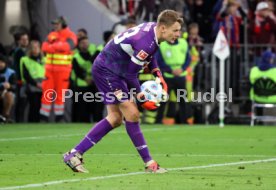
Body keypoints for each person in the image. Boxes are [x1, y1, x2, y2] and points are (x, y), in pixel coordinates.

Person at [63, 9, 183, 173]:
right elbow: (131, 74)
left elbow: (151, 53)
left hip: (114, 70)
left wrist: (157, 74)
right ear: (163, 28)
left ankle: (74, 154)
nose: (178, 34)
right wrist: (141, 97)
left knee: (115, 118)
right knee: (132, 113)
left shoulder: (152, 31)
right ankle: (149, 163)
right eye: (175, 30)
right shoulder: (146, 41)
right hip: (108, 71)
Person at [40, 16, 77, 122]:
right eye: (54, 24)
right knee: (47, 93)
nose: (55, 26)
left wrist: (52, 47)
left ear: (63, 24)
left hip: (63, 71)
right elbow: (44, 47)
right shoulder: (52, 34)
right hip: (49, 70)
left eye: (57, 24)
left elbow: (67, 47)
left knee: (60, 94)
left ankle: (59, 118)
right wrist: (57, 47)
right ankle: (43, 117)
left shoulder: (71, 35)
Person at [71, 36, 104, 122]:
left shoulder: (92, 55)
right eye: (83, 43)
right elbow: (77, 71)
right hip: (81, 85)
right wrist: (86, 79)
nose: (85, 44)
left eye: (86, 42)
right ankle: (83, 123)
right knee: (82, 107)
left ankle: (94, 123)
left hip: (93, 84)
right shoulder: (76, 57)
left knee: (93, 106)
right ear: (79, 45)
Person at [20, 40, 45, 122]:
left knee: (41, 106)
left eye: (37, 47)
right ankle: (32, 122)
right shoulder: (25, 60)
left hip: (43, 85)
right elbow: (25, 74)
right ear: (30, 49)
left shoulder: (44, 59)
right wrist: (36, 84)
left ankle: (39, 123)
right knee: (34, 105)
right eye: (33, 48)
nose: (35, 49)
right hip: (31, 85)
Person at [0, 54, 16, 123]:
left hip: (6, 93)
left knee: (9, 96)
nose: (0, 64)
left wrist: (10, 86)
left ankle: (4, 116)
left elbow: (15, 87)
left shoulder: (11, 72)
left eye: (1, 62)